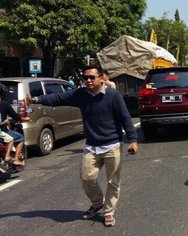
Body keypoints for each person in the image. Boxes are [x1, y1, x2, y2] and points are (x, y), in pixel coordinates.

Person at [30, 65, 138, 227]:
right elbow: (59, 98)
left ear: (101, 78)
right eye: (85, 78)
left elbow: (125, 118)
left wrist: (133, 139)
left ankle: (109, 212)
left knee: (112, 182)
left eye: (91, 77)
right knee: (87, 178)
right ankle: (97, 203)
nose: (88, 80)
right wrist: (37, 99)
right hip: (92, 145)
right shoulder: (81, 94)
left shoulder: (113, 95)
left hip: (112, 145)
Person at [0, 83, 29, 167]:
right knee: (20, 137)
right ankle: (15, 159)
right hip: (3, 131)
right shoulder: (4, 104)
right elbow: (16, 116)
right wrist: (24, 119)